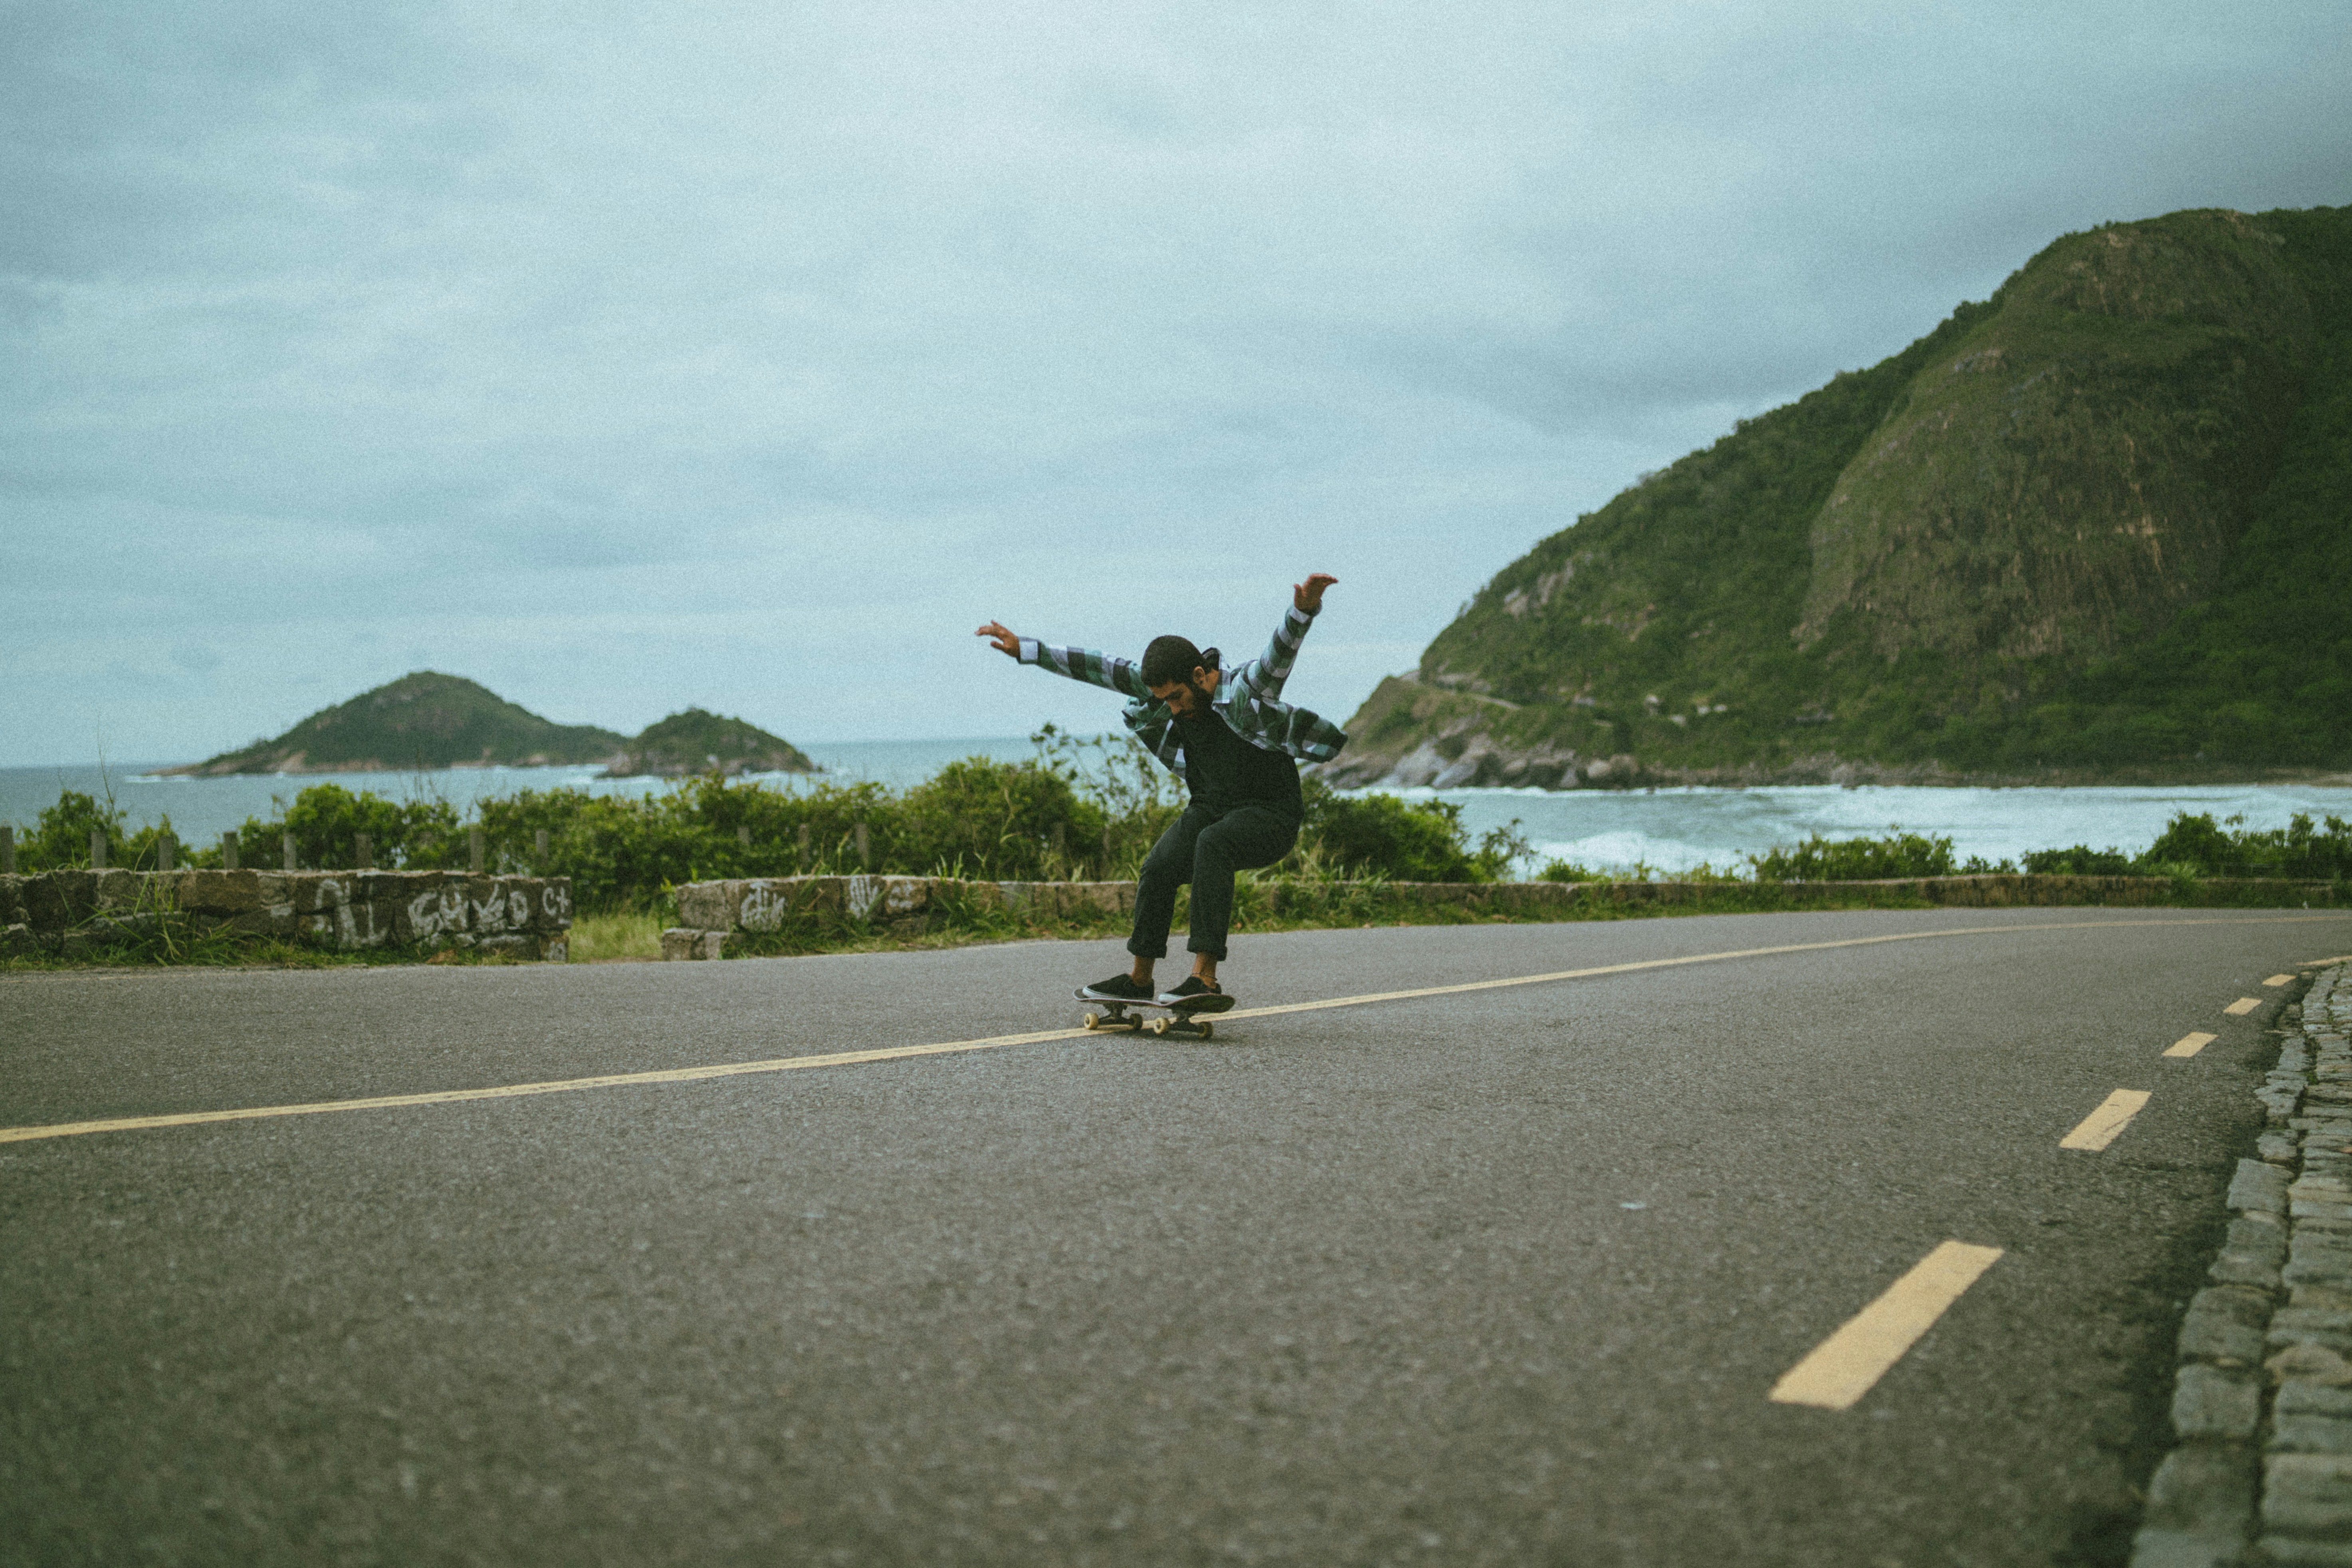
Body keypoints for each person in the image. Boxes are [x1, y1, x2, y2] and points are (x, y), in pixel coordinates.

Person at [976, 573, 1347, 1011]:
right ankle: (1138, 980)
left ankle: (1203, 979)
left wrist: (1302, 611)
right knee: (1159, 865)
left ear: (1198, 675)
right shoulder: (1166, 689)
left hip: (1270, 817)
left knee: (1214, 844)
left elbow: (1277, 657)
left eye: (1175, 697)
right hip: (1211, 807)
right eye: (1162, 700)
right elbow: (1100, 667)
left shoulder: (1246, 692)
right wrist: (1028, 651)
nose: (1171, 708)